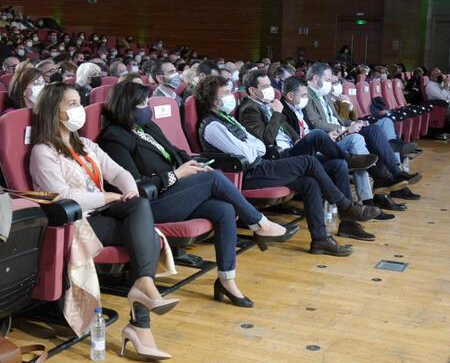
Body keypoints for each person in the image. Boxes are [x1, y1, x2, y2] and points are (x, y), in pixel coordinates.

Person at [98, 81, 295, 307]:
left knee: (224, 209)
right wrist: (178, 175)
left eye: (147, 102)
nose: (147, 108)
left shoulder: (147, 127)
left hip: (173, 193)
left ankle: (226, 280)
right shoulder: (113, 138)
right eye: (142, 104)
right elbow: (134, 187)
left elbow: (175, 151)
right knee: (213, 179)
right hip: (147, 206)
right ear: (126, 107)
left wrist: (194, 165)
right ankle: (259, 223)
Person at [29, 82, 177, 360]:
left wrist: (128, 187)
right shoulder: (43, 151)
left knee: (139, 204)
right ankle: (140, 326)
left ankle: (143, 289)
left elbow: (118, 171)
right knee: (142, 239)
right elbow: (63, 197)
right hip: (77, 222)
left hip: (104, 211)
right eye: (71, 104)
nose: (79, 109)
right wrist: (107, 198)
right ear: (53, 111)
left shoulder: (84, 144)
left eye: (79, 103)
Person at [196, 75, 382, 256]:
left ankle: (320, 240)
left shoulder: (227, 119)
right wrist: (253, 148)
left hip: (260, 165)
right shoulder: (212, 126)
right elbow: (248, 154)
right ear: (212, 99)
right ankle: (346, 206)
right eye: (226, 93)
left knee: (309, 182)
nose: (231, 96)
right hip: (245, 175)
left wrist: (253, 148)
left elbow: (258, 146)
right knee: (310, 161)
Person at [238, 70, 379, 238]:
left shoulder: (268, 103)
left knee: (338, 165)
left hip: (291, 149)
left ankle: (348, 223)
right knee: (318, 135)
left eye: (270, 84)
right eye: (266, 86)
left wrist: (298, 139)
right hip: (277, 158)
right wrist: (276, 113)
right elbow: (265, 140)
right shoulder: (249, 109)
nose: (271, 89)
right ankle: (350, 162)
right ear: (253, 90)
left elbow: (288, 130)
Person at [303, 63, 421, 196]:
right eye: (328, 80)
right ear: (315, 78)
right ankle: (385, 182)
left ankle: (395, 173)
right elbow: (316, 123)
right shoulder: (305, 94)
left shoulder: (324, 95)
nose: (330, 84)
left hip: (343, 130)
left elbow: (340, 118)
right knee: (372, 139)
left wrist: (355, 122)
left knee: (375, 131)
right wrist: (347, 128)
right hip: (330, 137)